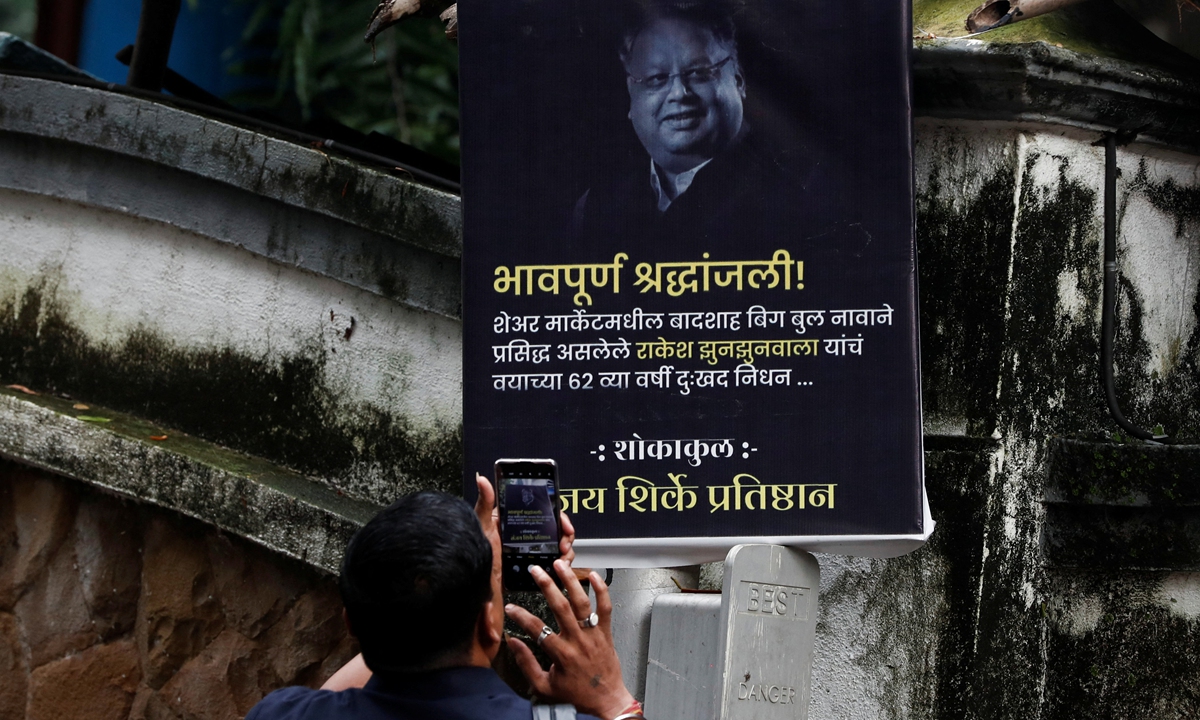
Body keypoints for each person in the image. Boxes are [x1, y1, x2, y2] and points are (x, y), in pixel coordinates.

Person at [246, 475, 643, 720]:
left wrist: (475, 574)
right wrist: (613, 701)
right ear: (489, 624)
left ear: (351, 623)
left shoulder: (281, 713)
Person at [572, 1, 795, 250]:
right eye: (657, 78)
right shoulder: (596, 207)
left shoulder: (792, 194)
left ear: (739, 81)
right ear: (631, 94)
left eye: (699, 73)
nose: (679, 93)